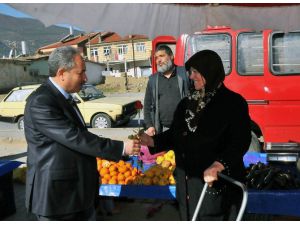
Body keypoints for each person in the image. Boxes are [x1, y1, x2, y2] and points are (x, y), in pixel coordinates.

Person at [24, 46, 140, 221]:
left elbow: (79, 135)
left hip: (77, 194)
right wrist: (121, 148)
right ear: (62, 73)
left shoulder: (64, 96)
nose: (85, 78)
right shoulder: (42, 101)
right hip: (59, 199)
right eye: (81, 73)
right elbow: (75, 137)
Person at [139, 50, 251, 221]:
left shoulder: (233, 103)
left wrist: (219, 164)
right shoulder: (187, 103)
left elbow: (241, 140)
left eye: (196, 72)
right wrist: (152, 140)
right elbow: (175, 134)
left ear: (210, 71)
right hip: (188, 187)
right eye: (190, 72)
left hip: (216, 185)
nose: (191, 76)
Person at [143, 45, 190, 136]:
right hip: (163, 130)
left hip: (184, 128)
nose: (158, 60)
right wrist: (149, 126)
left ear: (171, 56)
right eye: (156, 58)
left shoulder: (185, 74)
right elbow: (147, 105)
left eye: (162, 56)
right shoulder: (153, 80)